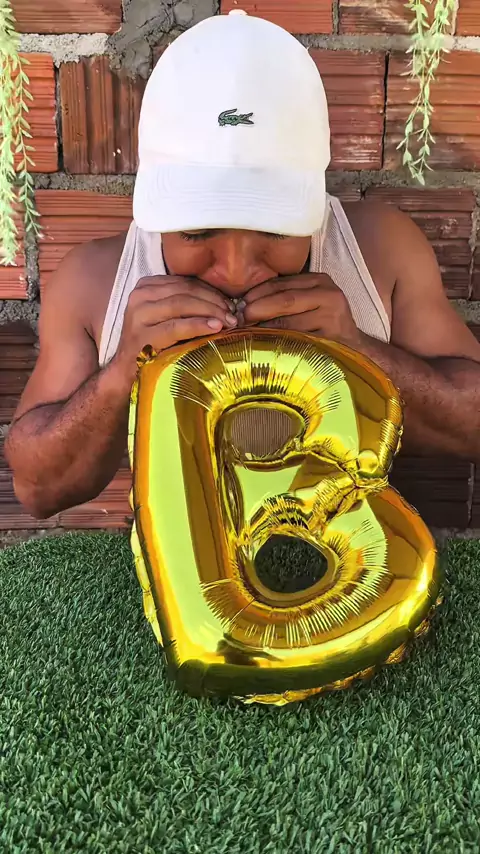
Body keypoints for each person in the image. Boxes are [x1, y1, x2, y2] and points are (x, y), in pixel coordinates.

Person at [6, 11, 480, 519]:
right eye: (197, 233)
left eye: (275, 231)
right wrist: (123, 372)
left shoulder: (381, 251)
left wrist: (359, 354)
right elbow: (38, 490)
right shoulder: (91, 282)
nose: (235, 272)